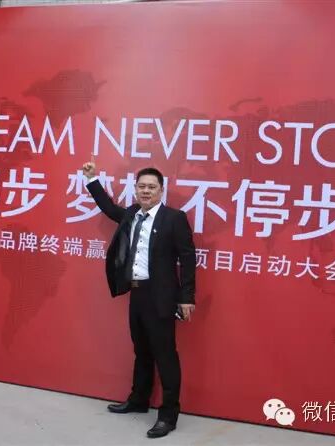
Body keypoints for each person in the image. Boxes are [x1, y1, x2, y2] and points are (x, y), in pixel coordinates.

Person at [82, 159, 196, 439]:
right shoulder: (132, 214)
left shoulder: (174, 218)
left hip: (162, 297)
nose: (146, 191)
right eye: (142, 186)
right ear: (135, 189)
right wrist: (92, 179)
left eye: (151, 187)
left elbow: (187, 259)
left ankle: (168, 416)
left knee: (165, 356)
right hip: (137, 293)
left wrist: (186, 297)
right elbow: (109, 209)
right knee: (142, 350)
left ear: (161, 190)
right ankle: (138, 400)